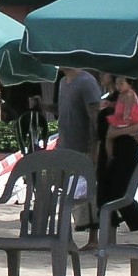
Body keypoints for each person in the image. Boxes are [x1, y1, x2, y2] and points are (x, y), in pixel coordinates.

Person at [95, 75, 138, 242]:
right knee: (104, 193)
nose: (101, 75)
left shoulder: (127, 96)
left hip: (125, 148)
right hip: (106, 149)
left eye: (105, 72)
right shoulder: (108, 99)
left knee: (120, 193)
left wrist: (117, 133)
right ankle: (108, 241)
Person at [56, 68, 102, 247]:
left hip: (84, 148)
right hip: (65, 147)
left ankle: (93, 238)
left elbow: (95, 117)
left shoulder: (86, 82)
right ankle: (67, 237)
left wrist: (94, 148)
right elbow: (65, 112)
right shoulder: (62, 83)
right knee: (67, 194)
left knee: (88, 195)